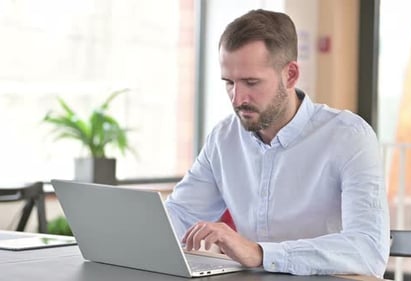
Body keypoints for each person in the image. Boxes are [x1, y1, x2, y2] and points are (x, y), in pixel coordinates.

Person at [164, 9, 389, 277]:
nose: (237, 99)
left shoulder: (350, 137)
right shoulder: (223, 138)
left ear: (291, 75)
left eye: (251, 82)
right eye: (229, 83)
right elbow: (179, 214)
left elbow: (368, 250)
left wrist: (259, 253)